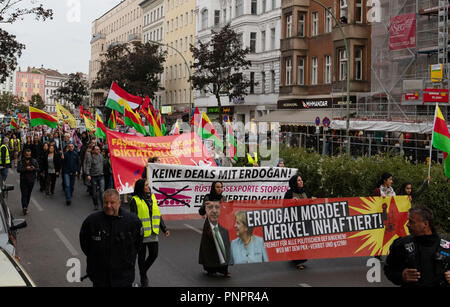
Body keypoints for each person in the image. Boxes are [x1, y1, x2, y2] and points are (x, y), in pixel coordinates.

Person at [79, 189, 143, 287]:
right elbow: (85, 243)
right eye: (106, 202)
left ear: (119, 203)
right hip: (100, 276)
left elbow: (137, 244)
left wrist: (127, 259)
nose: (108, 206)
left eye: (112, 203)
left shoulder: (132, 222)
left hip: (123, 276)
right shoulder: (92, 221)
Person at [384, 206, 450, 287]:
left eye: (411, 222)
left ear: (425, 224)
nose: (407, 224)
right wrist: (401, 276)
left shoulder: (447, 244)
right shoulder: (401, 244)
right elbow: (389, 269)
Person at [129, 179, 170, 287]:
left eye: (148, 184)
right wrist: (135, 234)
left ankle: (143, 272)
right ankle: (143, 278)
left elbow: (158, 214)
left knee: (154, 254)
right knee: (141, 258)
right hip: (141, 235)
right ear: (141, 188)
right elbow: (133, 219)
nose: (148, 186)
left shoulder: (153, 197)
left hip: (153, 232)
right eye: (146, 185)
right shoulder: (135, 200)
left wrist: (164, 229)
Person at [284, 175, 317, 270]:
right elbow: (284, 204)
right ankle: (299, 262)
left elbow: (308, 201)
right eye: (298, 180)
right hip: (293, 221)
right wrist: (291, 201)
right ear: (294, 182)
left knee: (302, 240)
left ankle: (295, 258)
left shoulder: (305, 191)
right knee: (296, 241)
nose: (301, 181)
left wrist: (312, 200)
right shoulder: (289, 193)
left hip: (304, 220)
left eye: (301, 180)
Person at [199, 200, 231, 278]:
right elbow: (201, 212)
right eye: (217, 187)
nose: (219, 189)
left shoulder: (223, 198)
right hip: (210, 224)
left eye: (221, 187)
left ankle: (224, 270)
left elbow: (228, 211)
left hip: (221, 223)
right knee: (211, 248)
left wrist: (229, 205)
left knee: (223, 246)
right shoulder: (208, 197)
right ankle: (211, 270)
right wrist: (204, 205)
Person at [17, 148, 39, 215]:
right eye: (27, 155)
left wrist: (33, 168)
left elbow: (38, 168)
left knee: (28, 195)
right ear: (24, 155)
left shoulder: (34, 161)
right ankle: (24, 207)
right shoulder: (21, 161)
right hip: (23, 181)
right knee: (24, 194)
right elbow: (18, 170)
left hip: (31, 181)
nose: (28, 157)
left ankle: (26, 206)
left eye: (29, 155)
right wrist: (26, 169)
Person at [85, 146, 105, 210]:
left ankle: (103, 206)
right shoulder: (90, 157)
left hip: (101, 176)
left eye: (98, 149)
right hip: (94, 177)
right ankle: (96, 204)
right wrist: (88, 175)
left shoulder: (101, 156)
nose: (98, 150)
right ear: (93, 150)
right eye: (96, 149)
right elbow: (88, 166)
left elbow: (104, 163)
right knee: (94, 192)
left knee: (102, 191)